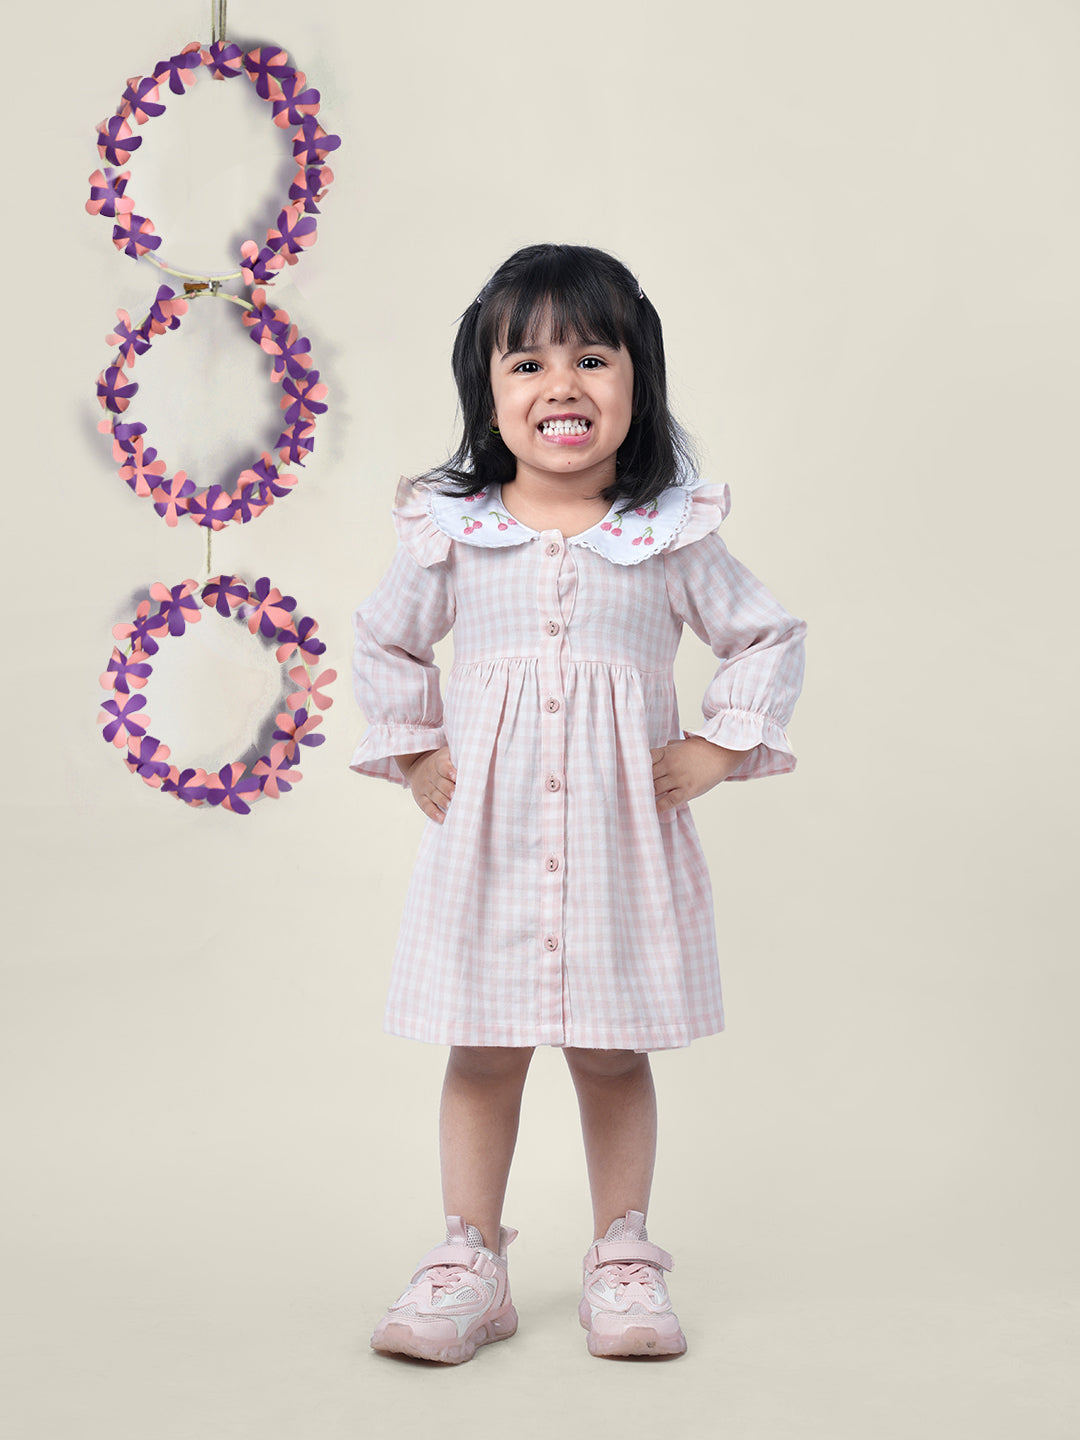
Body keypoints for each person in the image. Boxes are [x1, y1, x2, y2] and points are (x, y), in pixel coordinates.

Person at [350, 243, 806, 1363]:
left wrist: (719, 744)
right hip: (491, 847)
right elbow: (384, 640)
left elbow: (763, 634)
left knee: (612, 1054)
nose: (562, 386)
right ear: (488, 391)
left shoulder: (666, 533)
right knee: (484, 1049)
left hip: (618, 848)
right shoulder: (457, 529)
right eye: (528, 363)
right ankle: (469, 1260)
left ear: (636, 382)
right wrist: (415, 758)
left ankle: (622, 1255)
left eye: (593, 358)